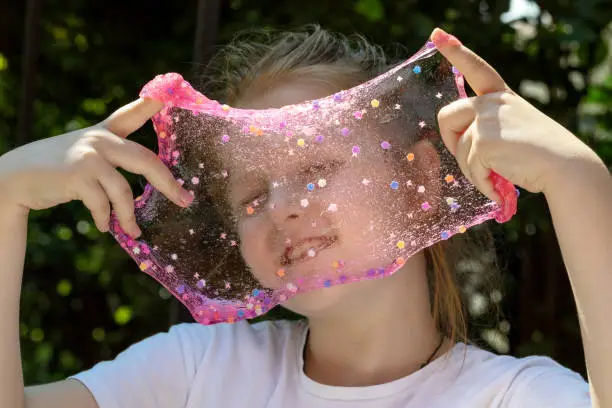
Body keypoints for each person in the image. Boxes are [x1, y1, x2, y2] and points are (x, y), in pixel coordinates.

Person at [0, 26, 610, 408]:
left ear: (423, 177)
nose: (284, 207)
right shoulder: (193, 372)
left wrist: (579, 182)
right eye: (251, 197)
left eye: (316, 166)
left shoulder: (509, 397)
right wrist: (4, 196)